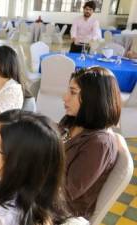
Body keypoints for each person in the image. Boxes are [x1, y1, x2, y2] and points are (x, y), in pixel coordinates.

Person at [60, 66, 121, 219]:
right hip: (40, 194)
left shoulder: (99, 144)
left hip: (59, 213)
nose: (64, 97)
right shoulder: (73, 121)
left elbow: (65, 193)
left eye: (73, 92)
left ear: (93, 98)